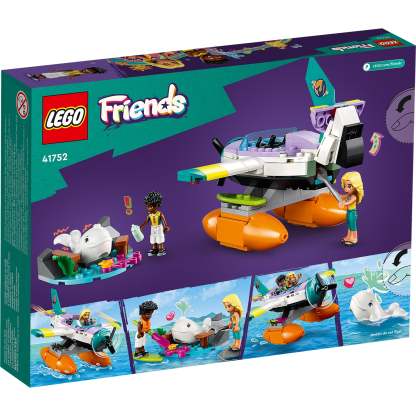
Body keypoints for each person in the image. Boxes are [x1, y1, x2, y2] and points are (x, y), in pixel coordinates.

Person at [140, 192, 170, 256]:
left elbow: (164, 221)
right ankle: (155, 249)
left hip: (159, 227)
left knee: (159, 237)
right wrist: (142, 226)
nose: (148, 208)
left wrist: (166, 226)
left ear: (156, 206)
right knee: (153, 237)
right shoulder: (149, 215)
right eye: (147, 206)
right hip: (153, 227)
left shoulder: (160, 214)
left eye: (150, 206)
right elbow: (146, 221)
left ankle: (161, 249)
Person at [339, 172, 364, 246]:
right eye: (345, 186)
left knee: (353, 226)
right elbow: (343, 196)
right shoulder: (349, 195)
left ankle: (354, 238)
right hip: (349, 212)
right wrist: (336, 194)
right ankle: (348, 237)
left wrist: (343, 203)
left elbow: (349, 202)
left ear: (356, 186)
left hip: (352, 212)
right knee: (349, 225)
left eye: (349, 186)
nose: (346, 188)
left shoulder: (354, 196)